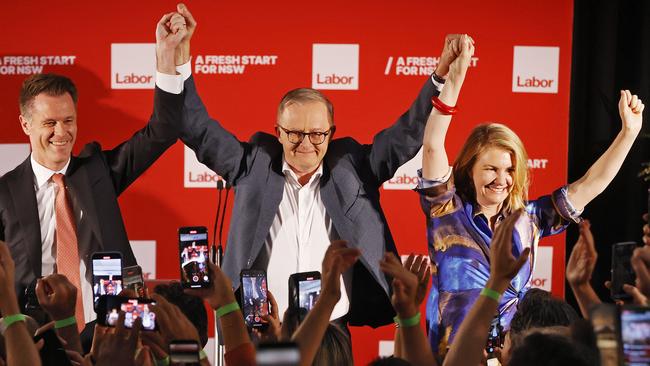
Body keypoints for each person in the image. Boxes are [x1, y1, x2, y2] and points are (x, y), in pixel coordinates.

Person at [163, 3, 463, 325]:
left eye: (317, 134)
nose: (305, 144)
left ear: (331, 133)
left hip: (331, 332)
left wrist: (441, 75)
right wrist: (178, 59)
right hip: (262, 330)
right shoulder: (254, 164)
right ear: (277, 132)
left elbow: (407, 134)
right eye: (293, 133)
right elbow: (197, 129)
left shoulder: (354, 167)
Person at [418, 33, 645, 353]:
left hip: (513, 353)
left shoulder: (529, 219)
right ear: (469, 167)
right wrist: (455, 79)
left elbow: (589, 185)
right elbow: (432, 146)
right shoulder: (446, 211)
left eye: (510, 170)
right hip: (451, 354)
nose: (502, 179)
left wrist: (628, 134)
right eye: (491, 169)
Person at [0, 12, 188, 334]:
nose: (62, 132)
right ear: (25, 124)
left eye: (68, 120)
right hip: (36, 338)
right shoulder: (5, 193)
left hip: (108, 331)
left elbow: (163, 131)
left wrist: (167, 56)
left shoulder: (98, 172)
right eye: (50, 123)